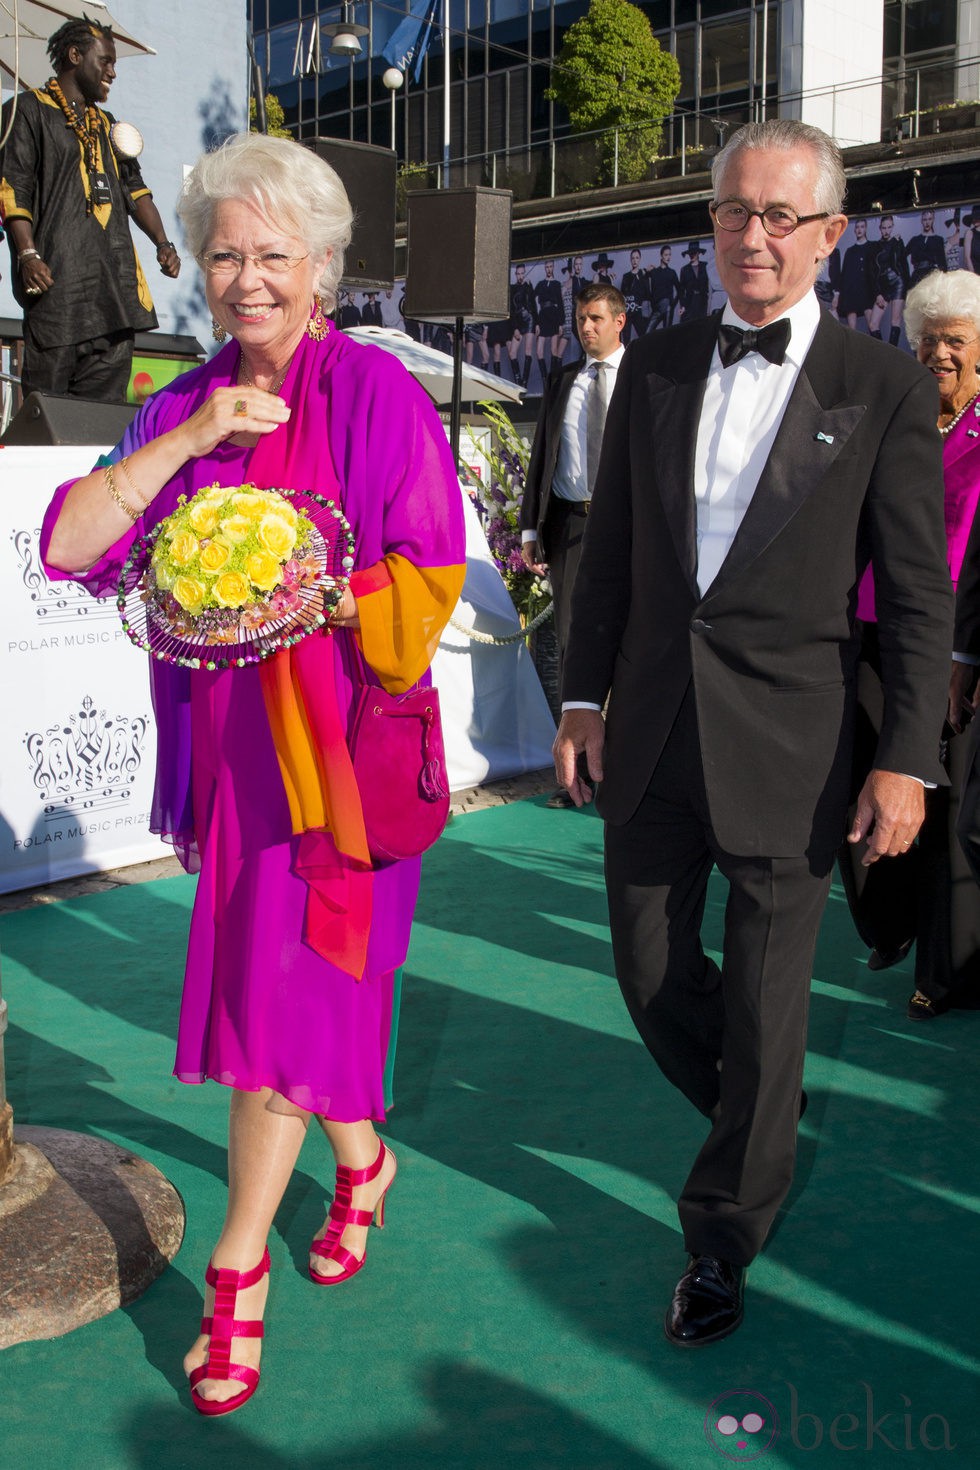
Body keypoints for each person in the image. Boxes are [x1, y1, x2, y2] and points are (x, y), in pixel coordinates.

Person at [40, 133, 465, 1414]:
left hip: (335, 771)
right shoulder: (184, 404)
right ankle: (364, 1157)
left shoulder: (377, 396)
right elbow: (70, 543)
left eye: (272, 254)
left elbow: (428, 576)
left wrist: (314, 587)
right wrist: (194, 438)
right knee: (291, 1001)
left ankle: (237, 1279)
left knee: (278, 1016)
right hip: (230, 773)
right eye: (223, 254)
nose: (245, 278)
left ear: (322, 267)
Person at [553, 119, 952, 1346]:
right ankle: (758, 1115)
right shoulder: (658, 363)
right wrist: (577, 696)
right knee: (646, 968)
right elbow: (610, 549)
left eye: (782, 216)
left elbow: (917, 592)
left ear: (831, 234)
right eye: (734, 210)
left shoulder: (880, 388)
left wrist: (905, 757)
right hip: (655, 730)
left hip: (795, 742)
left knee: (771, 1005)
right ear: (710, 223)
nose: (753, 235)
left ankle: (721, 1235)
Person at [840, 270, 980, 1021]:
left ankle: (943, 964)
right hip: (866, 621)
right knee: (855, 766)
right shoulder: (899, 413)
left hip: (954, 638)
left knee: (940, 795)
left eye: (955, 340)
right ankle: (885, 920)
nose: (939, 354)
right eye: (928, 339)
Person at [0, 18, 180, 402]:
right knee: (48, 420)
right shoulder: (27, 111)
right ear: (74, 55)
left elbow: (136, 191)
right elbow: (13, 187)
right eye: (106, 61)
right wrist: (27, 253)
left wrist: (163, 243)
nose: (112, 72)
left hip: (114, 298)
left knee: (101, 429)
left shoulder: (109, 127)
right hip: (58, 296)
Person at [520, 284, 626, 809]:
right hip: (571, 529)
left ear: (619, 321)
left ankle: (625, 774)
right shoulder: (563, 380)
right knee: (569, 645)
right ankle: (579, 778)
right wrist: (530, 530)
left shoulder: (644, 380)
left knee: (632, 646)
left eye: (596, 319)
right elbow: (542, 457)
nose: (587, 328)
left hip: (631, 531)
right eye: (581, 319)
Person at [869, 214, 909, 346]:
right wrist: (878, 293)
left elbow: (904, 264)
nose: (886, 231)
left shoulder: (897, 242)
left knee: (895, 321)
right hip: (883, 285)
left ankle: (893, 354)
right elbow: (873, 271)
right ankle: (883, 353)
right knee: (873, 323)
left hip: (898, 282)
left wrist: (907, 289)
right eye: (883, 228)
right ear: (880, 228)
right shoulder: (875, 246)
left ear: (892, 227)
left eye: (889, 227)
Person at [837, 217, 876, 331]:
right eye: (857, 227)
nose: (859, 230)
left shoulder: (872, 247)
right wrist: (840, 295)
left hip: (867, 290)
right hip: (852, 291)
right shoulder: (850, 251)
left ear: (866, 229)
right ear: (854, 230)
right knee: (852, 329)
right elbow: (844, 274)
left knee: (872, 325)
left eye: (862, 227)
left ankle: (876, 349)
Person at [534, 259, 567, 375]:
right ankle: (544, 379)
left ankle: (552, 380)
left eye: (551, 267)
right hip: (542, 315)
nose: (549, 269)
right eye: (547, 267)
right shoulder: (540, 284)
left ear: (553, 267)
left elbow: (561, 304)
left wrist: (561, 323)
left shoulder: (557, 284)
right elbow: (532, 300)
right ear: (545, 268)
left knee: (554, 350)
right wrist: (536, 323)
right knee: (539, 351)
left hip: (554, 315)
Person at [906, 209, 947, 290]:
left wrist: (943, 280)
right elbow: (902, 254)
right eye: (925, 219)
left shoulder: (938, 239)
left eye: (929, 219)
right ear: (921, 221)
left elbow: (942, 262)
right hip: (917, 274)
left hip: (931, 274)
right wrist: (897, 241)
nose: (927, 222)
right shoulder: (915, 239)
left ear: (933, 220)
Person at [648, 244, 680, 331]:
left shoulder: (672, 272)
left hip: (668, 307)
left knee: (667, 334)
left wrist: (672, 304)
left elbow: (680, 290)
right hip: (657, 308)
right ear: (661, 256)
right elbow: (648, 290)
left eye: (669, 255)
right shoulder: (654, 272)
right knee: (647, 333)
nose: (668, 257)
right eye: (666, 255)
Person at [620, 249, 650, 343]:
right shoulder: (626, 276)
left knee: (644, 337)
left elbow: (647, 294)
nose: (635, 260)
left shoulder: (644, 275)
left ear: (640, 259)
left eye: (637, 258)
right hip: (627, 311)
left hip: (638, 311)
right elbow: (623, 294)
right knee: (626, 340)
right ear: (630, 260)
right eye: (633, 258)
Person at [677, 241, 709, 320]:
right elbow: (681, 290)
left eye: (694, 253)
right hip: (690, 302)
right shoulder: (684, 269)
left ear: (698, 253)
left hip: (703, 301)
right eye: (690, 253)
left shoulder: (705, 266)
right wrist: (683, 305)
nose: (692, 255)